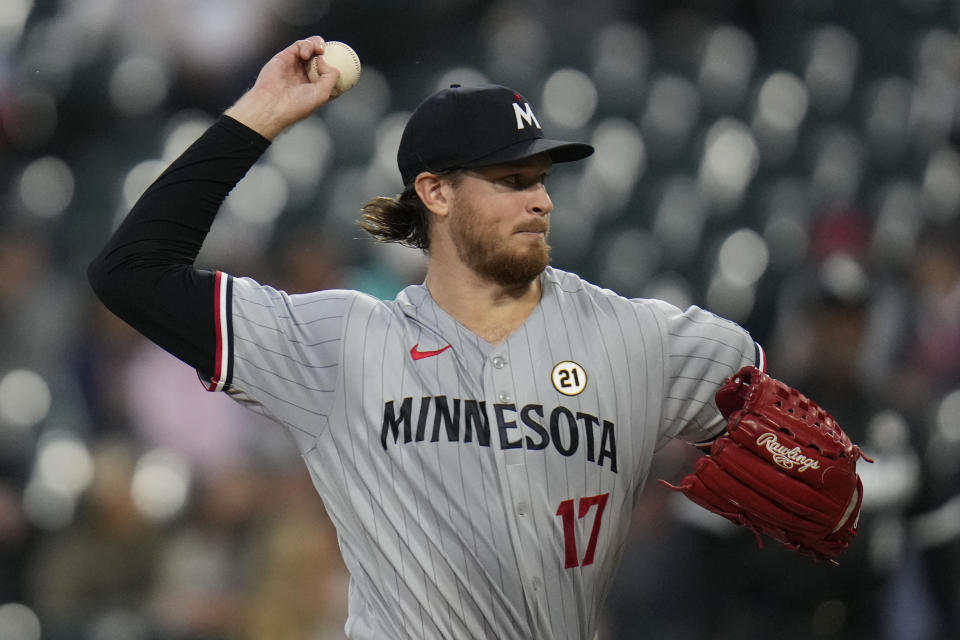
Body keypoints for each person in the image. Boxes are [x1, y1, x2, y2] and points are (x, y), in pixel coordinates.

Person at [89, 36, 764, 639]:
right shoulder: (342, 343)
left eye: (541, 179)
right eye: (511, 180)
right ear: (435, 193)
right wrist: (263, 113)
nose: (541, 200)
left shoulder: (635, 337)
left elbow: (788, 431)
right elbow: (130, 274)